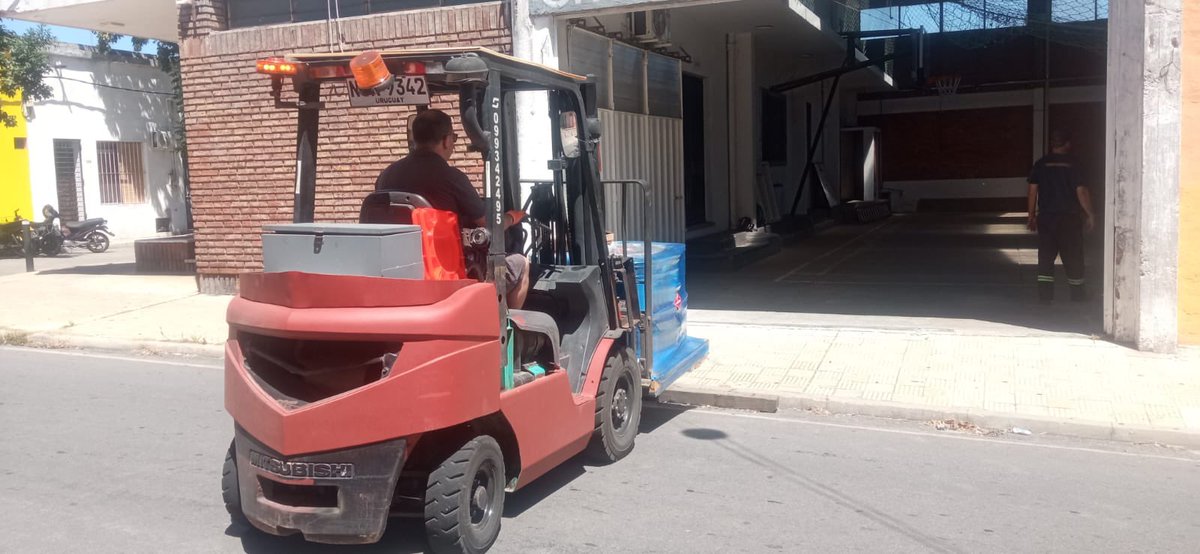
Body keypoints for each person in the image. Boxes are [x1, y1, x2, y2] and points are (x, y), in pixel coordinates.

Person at [375, 109, 530, 309]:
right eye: (454, 138)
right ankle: (504, 326)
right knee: (521, 263)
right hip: (443, 272)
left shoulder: (386, 175)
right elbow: (489, 224)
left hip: (397, 270)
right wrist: (511, 217)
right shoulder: (450, 177)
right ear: (446, 140)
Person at [1027, 130, 1095, 304]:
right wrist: (1090, 214)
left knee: (1045, 257)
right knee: (1073, 257)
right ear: (1067, 144)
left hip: (1047, 219)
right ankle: (1077, 296)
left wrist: (1031, 216)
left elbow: (1033, 191)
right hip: (1069, 219)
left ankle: (1045, 297)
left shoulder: (1040, 164)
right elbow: (1081, 191)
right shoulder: (1075, 165)